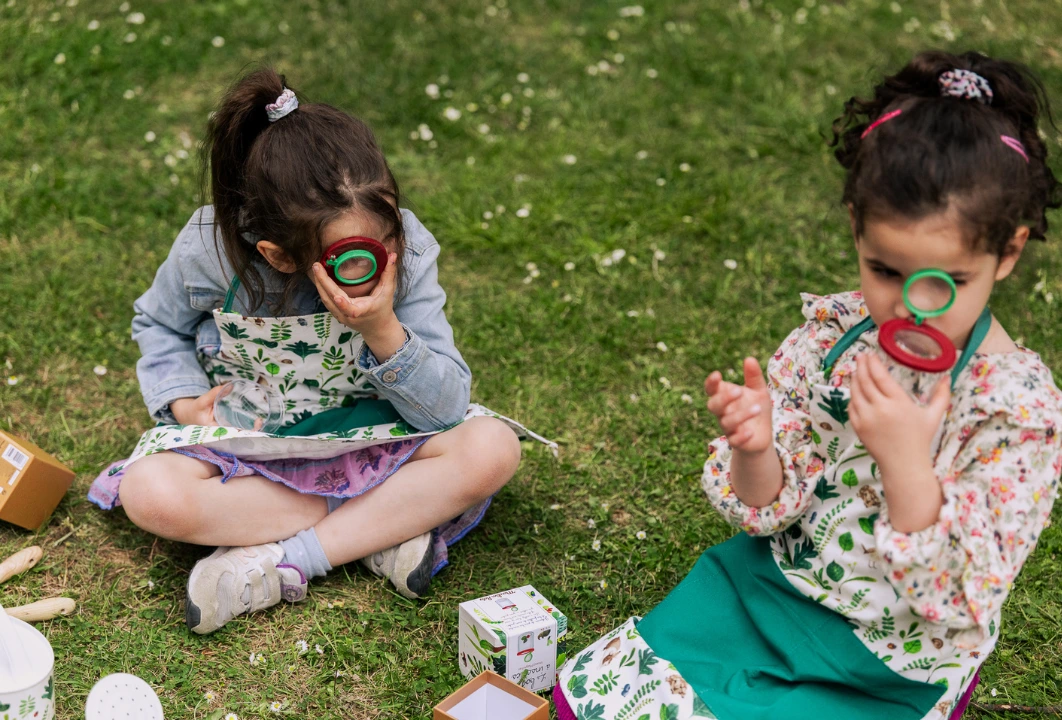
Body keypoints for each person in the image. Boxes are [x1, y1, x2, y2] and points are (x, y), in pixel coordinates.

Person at [555, 50, 1062, 720]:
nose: (911, 308)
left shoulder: (1017, 411)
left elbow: (962, 592)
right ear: (855, 226)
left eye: (948, 283)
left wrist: (907, 462)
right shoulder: (834, 338)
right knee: (589, 701)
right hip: (774, 590)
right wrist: (757, 449)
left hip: (892, 657)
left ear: (1008, 255)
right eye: (884, 270)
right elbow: (771, 503)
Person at [89, 67, 549, 634]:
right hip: (254, 454)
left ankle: (284, 561)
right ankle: (381, 529)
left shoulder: (408, 250)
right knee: (150, 494)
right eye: (356, 257)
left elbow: (447, 409)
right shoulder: (206, 251)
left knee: (492, 449)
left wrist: (383, 328)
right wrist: (183, 401)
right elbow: (157, 323)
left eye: (388, 233)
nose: (383, 257)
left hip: (377, 441)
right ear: (279, 255)